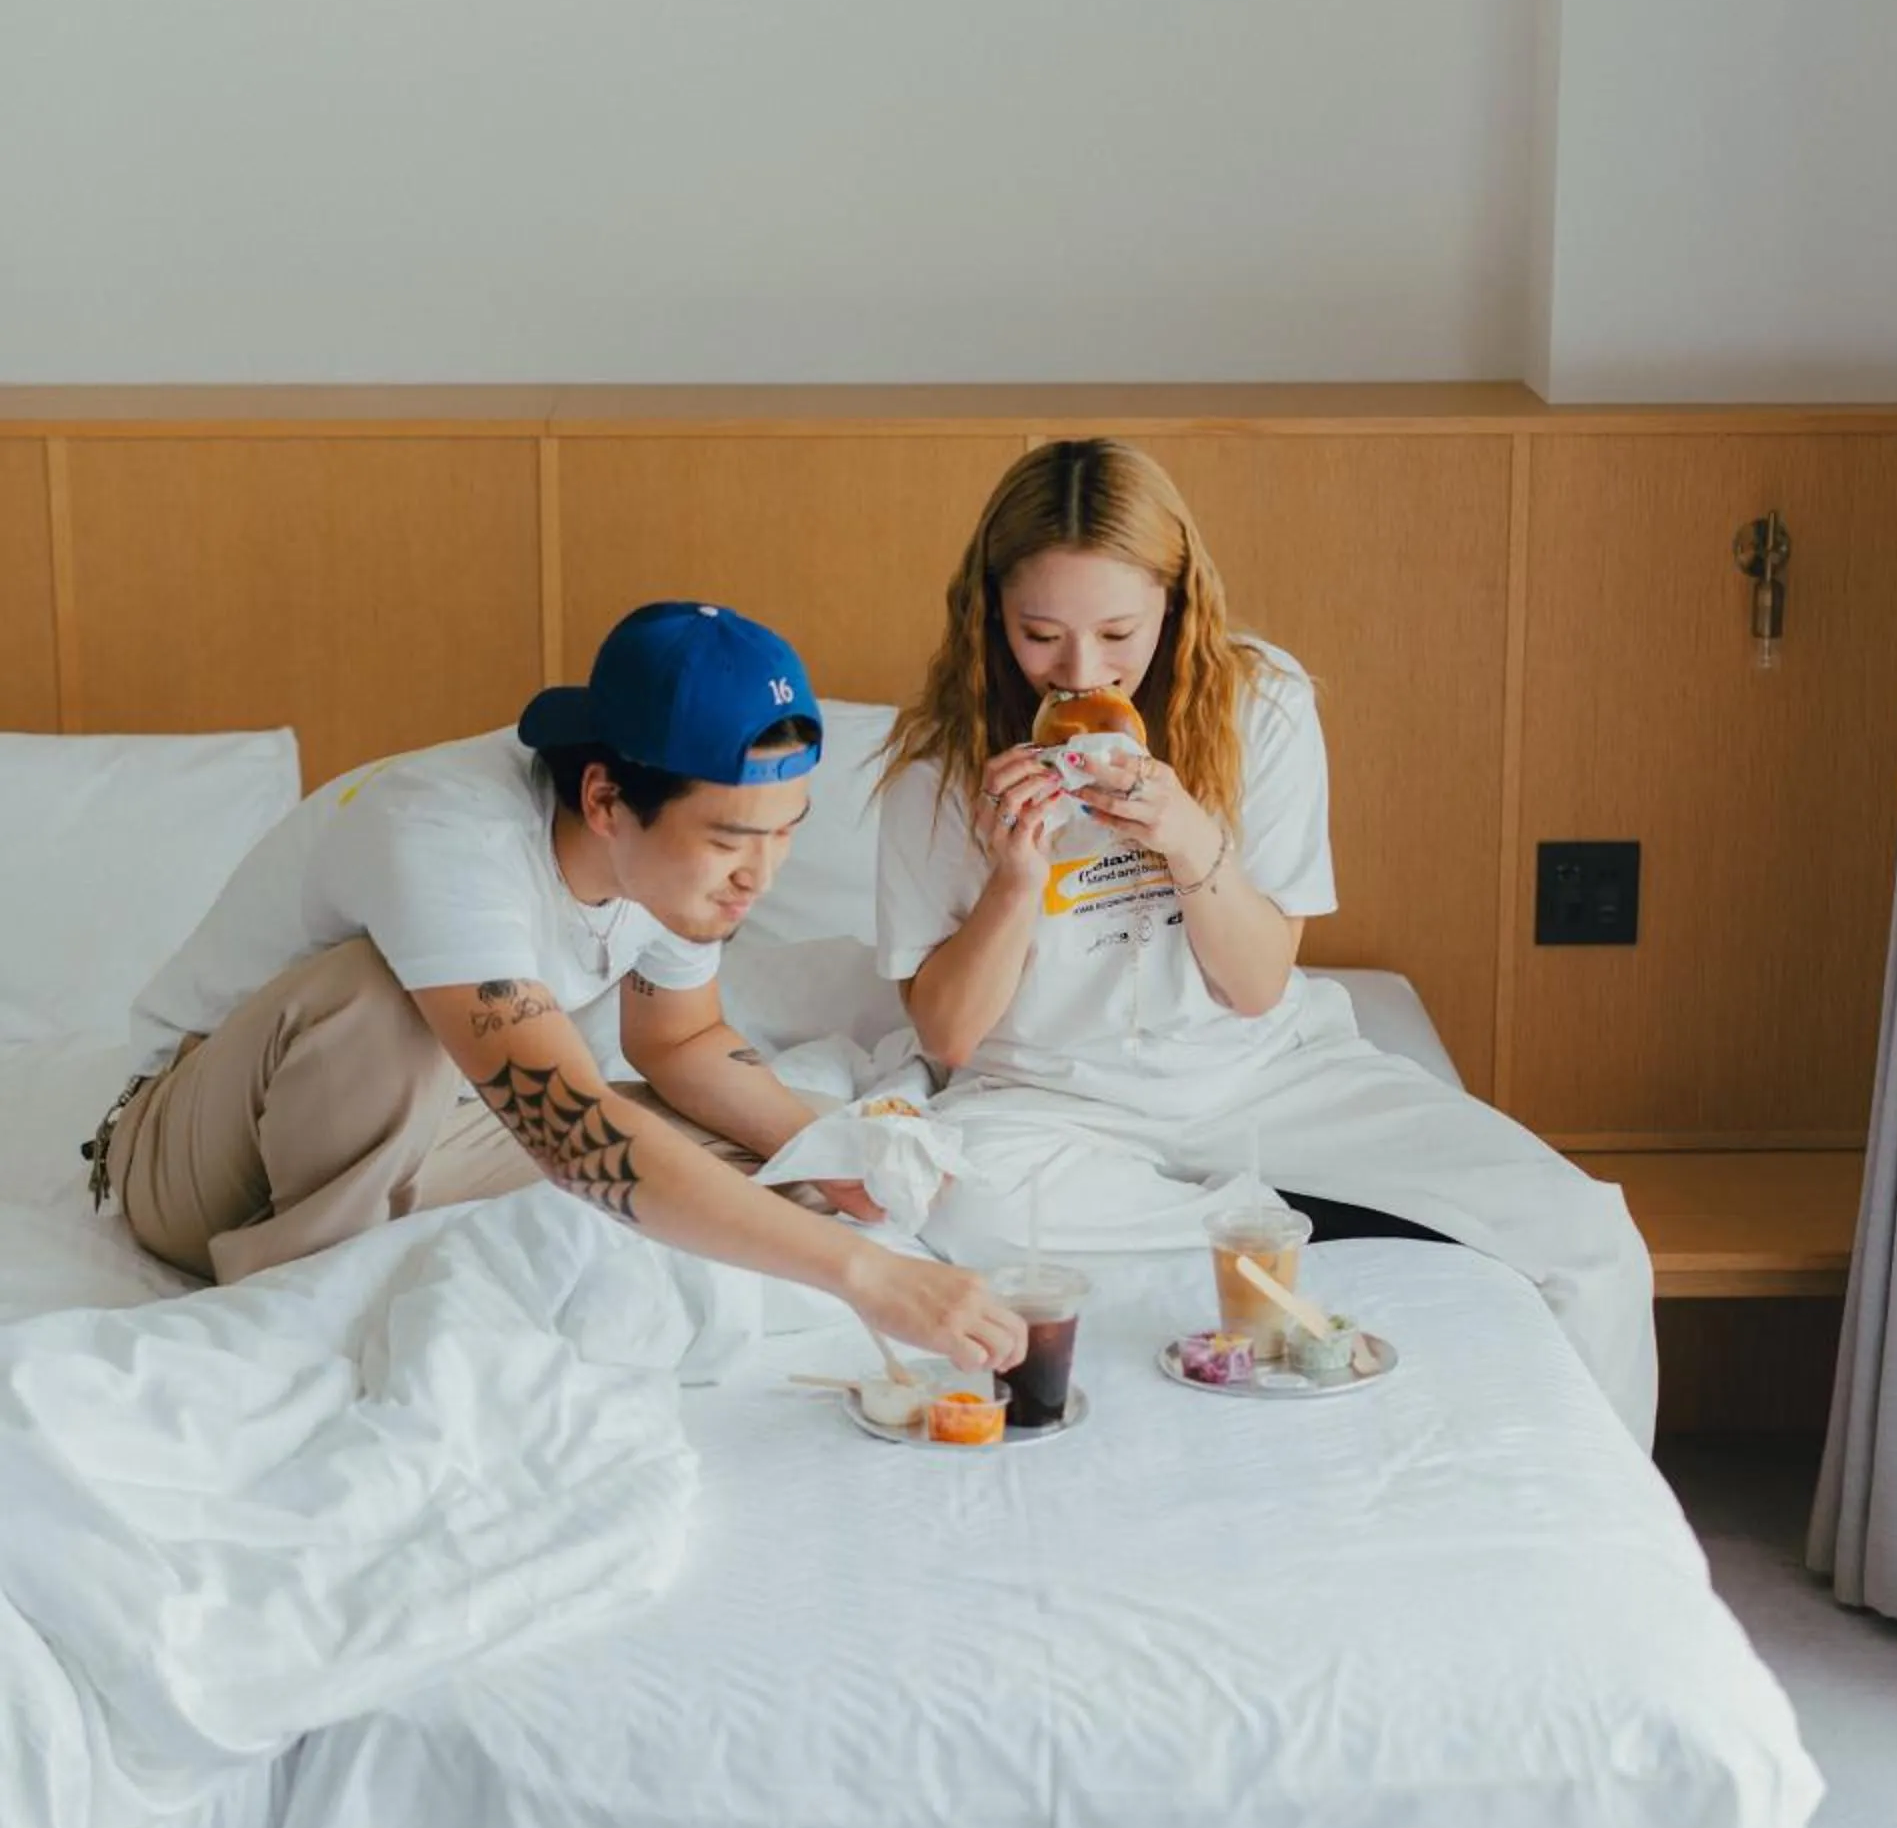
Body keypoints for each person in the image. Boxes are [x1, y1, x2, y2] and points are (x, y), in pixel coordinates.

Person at [876, 441, 1656, 1442]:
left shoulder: (1260, 706)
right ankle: (1296, 1238)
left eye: (1118, 633)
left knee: (1588, 1238)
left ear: (1175, 604)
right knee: (965, 1216)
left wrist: (1184, 833)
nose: (1081, 671)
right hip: (1046, 1102)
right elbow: (945, 1039)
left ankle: (1592, 1543)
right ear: (990, 615)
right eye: (1039, 635)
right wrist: (1014, 880)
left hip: (1264, 1075)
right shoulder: (935, 767)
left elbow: (1254, 987)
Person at [94, 601, 1025, 1374]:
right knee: (383, 1002)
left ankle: (402, 1243)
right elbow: (571, 1129)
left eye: (785, 832)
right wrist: (866, 1277)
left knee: (773, 1176)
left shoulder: (667, 864)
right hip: (200, 1154)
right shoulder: (445, 838)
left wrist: (827, 1153)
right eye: (731, 841)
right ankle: (297, 1300)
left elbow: (680, 1042)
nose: (761, 877)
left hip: (437, 1120)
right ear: (605, 800)